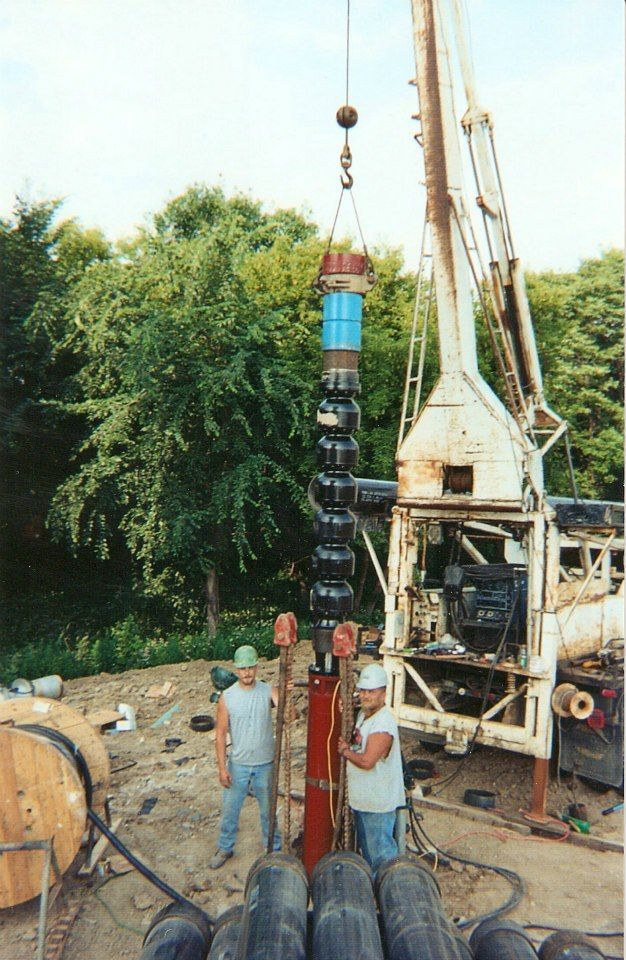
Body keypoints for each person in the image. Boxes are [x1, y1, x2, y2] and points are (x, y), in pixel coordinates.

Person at [209, 644, 282, 869]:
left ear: (257, 667)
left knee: (268, 811)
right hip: (238, 764)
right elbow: (220, 734)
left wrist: (285, 694)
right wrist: (222, 768)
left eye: (251, 667)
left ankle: (274, 849)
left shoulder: (268, 690)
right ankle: (225, 847)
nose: (247, 672)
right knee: (230, 809)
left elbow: (288, 714)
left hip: (265, 764)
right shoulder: (227, 698)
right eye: (243, 669)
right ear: (236, 670)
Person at [337, 662, 406, 871]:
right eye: (363, 691)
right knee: (370, 853)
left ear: (383, 694)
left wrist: (345, 751)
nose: (366, 696)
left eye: (371, 692)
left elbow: (367, 761)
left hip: (378, 805)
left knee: (382, 858)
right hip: (365, 801)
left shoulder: (383, 724)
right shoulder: (365, 715)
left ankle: (389, 894)